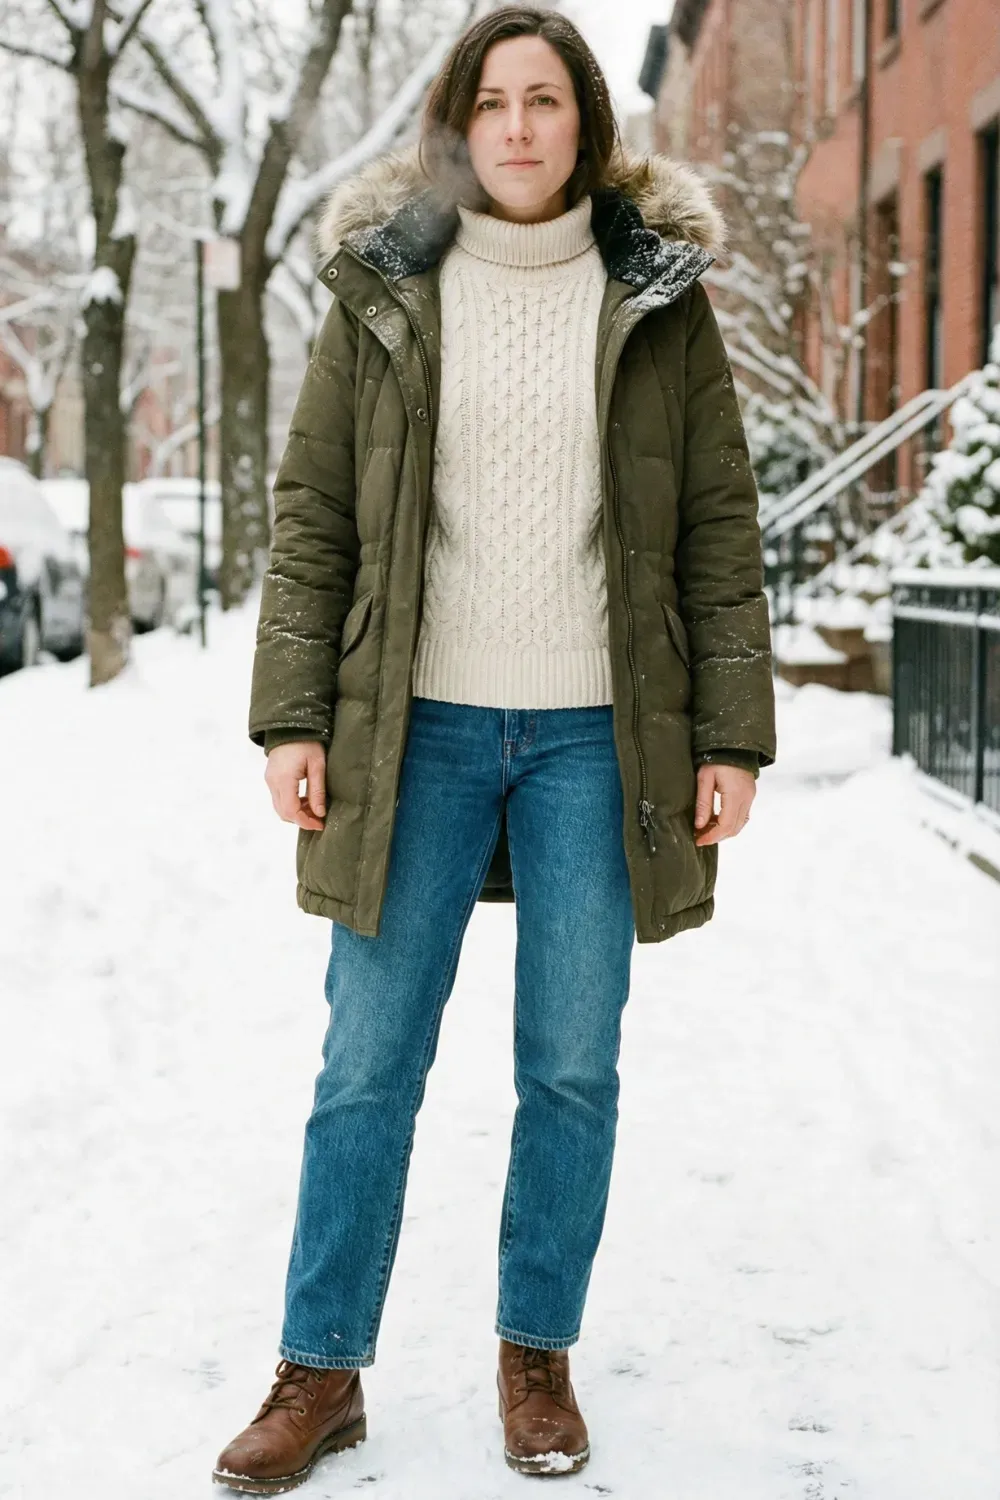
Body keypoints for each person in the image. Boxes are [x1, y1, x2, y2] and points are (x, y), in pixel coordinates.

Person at [213, 5, 777, 1491]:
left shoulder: (657, 295)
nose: (519, 127)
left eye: (546, 100)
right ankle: (320, 1371)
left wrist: (733, 733)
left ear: (587, 122)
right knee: (365, 1067)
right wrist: (292, 716)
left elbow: (720, 531)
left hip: (601, 738)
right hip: (419, 732)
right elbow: (315, 513)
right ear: (459, 127)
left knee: (572, 1067)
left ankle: (538, 1357)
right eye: (493, 102)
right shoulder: (388, 287)